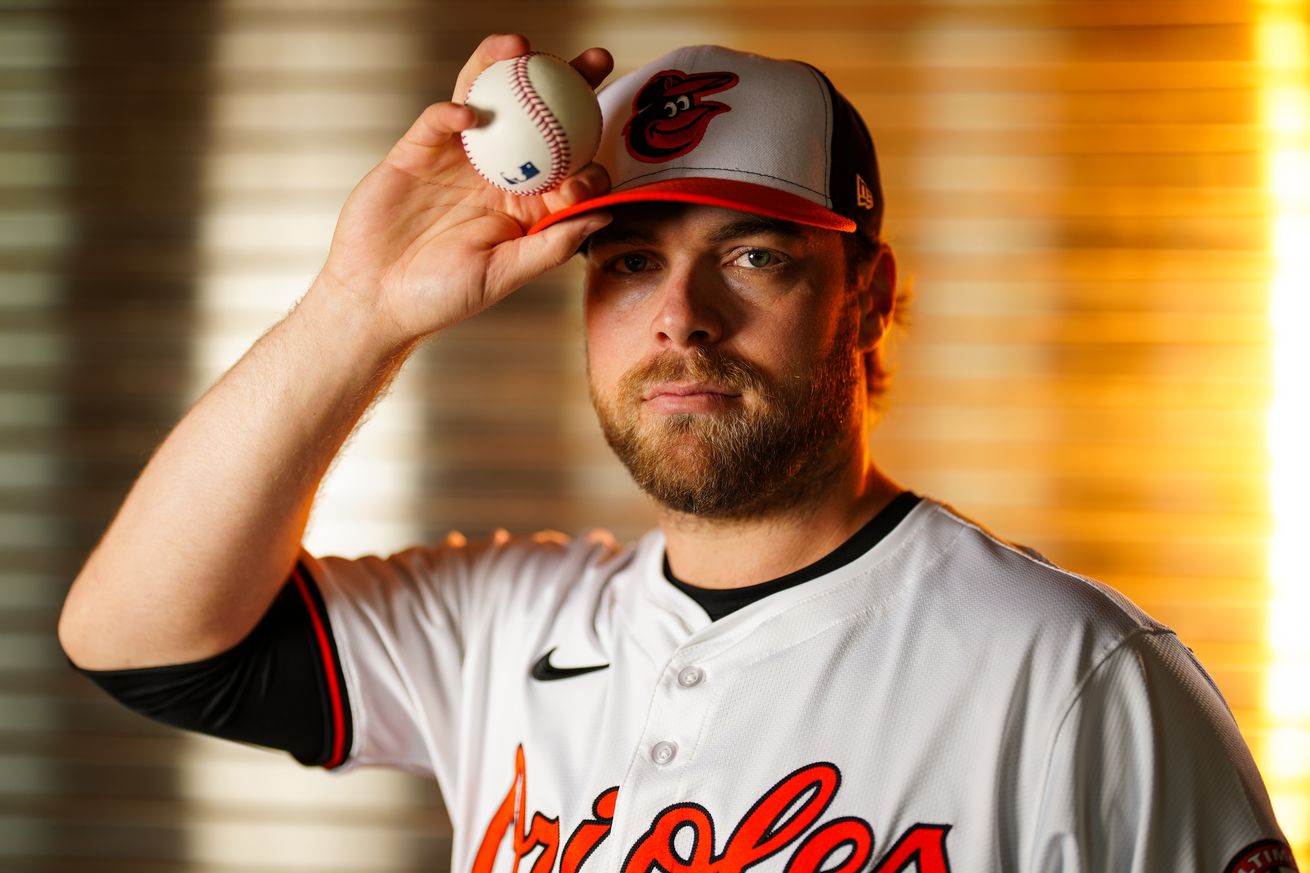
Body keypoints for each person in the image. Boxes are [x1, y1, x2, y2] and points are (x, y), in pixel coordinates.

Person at [58, 34, 1297, 873]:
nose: (679, 320)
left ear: (863, 298)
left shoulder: (1074, 673)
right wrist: (358, 307)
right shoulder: (501, 625)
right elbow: (140, 641)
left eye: (753, 256)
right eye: (631, 260)